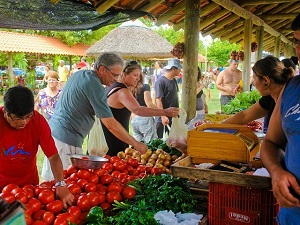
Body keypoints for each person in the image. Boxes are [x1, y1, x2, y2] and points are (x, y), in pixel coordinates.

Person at [43, 52, 149, 180]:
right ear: (102, 69)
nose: (116, 79)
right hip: (65, 140)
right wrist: (136, 144)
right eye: (114, 74)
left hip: (56, 135)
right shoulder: (94, 85)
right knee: (61, 185)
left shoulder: (81, 74)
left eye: (118, 75)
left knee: (56, 183)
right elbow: (110, 124)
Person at [0, 86, 73, 208]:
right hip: (2, 187)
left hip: (30, 187)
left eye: (28, 116)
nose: (24, 122)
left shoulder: (38, 121)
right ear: (5, 112)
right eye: (18, 118)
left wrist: (60, 184)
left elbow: (53, 156)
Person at [260, 14, 300, 225]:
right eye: (298, 42)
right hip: (290, 218)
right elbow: (270, 143)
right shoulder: (292, 89)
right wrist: (276, 171)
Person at [103, 60, 179, 156]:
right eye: (135, 75)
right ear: (124, 74)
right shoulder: (122, 90)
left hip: (112, 136)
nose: (138, 79)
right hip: (114, 139)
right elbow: (138, 110)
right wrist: (165, 112)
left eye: (139, 76)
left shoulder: (111, 87)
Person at [222, 56, 294, 132]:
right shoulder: (270, 98)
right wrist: (217, 126)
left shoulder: (291, 100)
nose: (254, 83)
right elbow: (244, 116)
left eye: (254, 79)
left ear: (266, 80)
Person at [155, 58, 181, 138]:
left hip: (173, 116)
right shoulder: (160, 81)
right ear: (173, 68)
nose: (180, 70)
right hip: (163, 117)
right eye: (178, 68)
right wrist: (163, 116)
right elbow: (158, 100)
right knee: (159, 142)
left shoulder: (174, 80)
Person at [131, 71, 158, 144]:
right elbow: (149, 103)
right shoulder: (145, 86)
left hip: (134, 118)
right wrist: (162, 111)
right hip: (145, 118)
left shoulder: (130, 88)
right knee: (151, 145)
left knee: (138, 147)